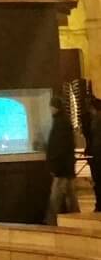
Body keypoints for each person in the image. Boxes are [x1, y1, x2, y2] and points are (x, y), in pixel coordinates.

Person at [45, 96, 80, 225]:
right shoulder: (64, 121)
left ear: (55, 107)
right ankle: (76, 219)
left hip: (61, 168)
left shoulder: (60, 123)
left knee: (56, 196)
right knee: (71, 195)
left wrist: (54, 165)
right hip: (67, 166)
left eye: (51, 106)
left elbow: (58, 146)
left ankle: (51, 220)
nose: (50, 109)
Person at [89, 97, 101, 214]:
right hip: (98, 155)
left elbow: (97, 142)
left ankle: (99, 205)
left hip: (98, 157)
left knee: (98, 182)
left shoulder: (97, 120)